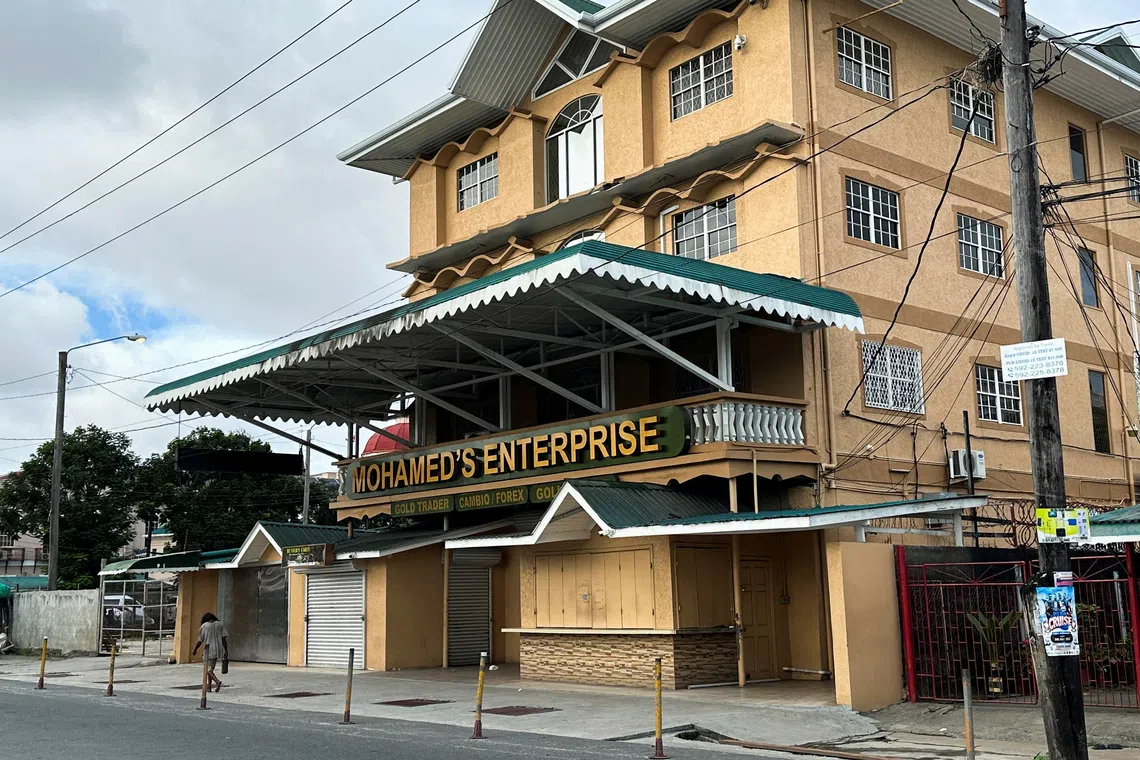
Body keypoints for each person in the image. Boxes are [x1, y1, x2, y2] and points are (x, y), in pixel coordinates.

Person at [191, 612, 229, 692]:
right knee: (210, 669)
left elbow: (200, 640)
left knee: (207, 670)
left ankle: (217, 682)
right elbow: (223, 639)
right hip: (218, 650)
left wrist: (195, 649)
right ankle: (209, 687)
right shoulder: (219, 625)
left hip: (208, 649)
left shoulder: (204, 626)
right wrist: (226, 650)